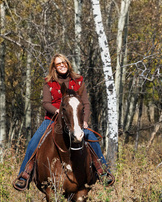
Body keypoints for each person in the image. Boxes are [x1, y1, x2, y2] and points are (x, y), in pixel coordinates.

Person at [14, 53, 112, 190]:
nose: (61, 65)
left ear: (68, 64)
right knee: (34, 141)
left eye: (63, 62)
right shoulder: (49, 82)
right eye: (58, 64)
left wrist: (84, 121)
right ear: (54, 67)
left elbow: (85, 103)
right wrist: (57, 111)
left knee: (91, 137)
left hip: (75, 120)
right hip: (52, 120)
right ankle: (24, 174)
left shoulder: (78, 80)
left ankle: (103, 171)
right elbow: (46, 103)